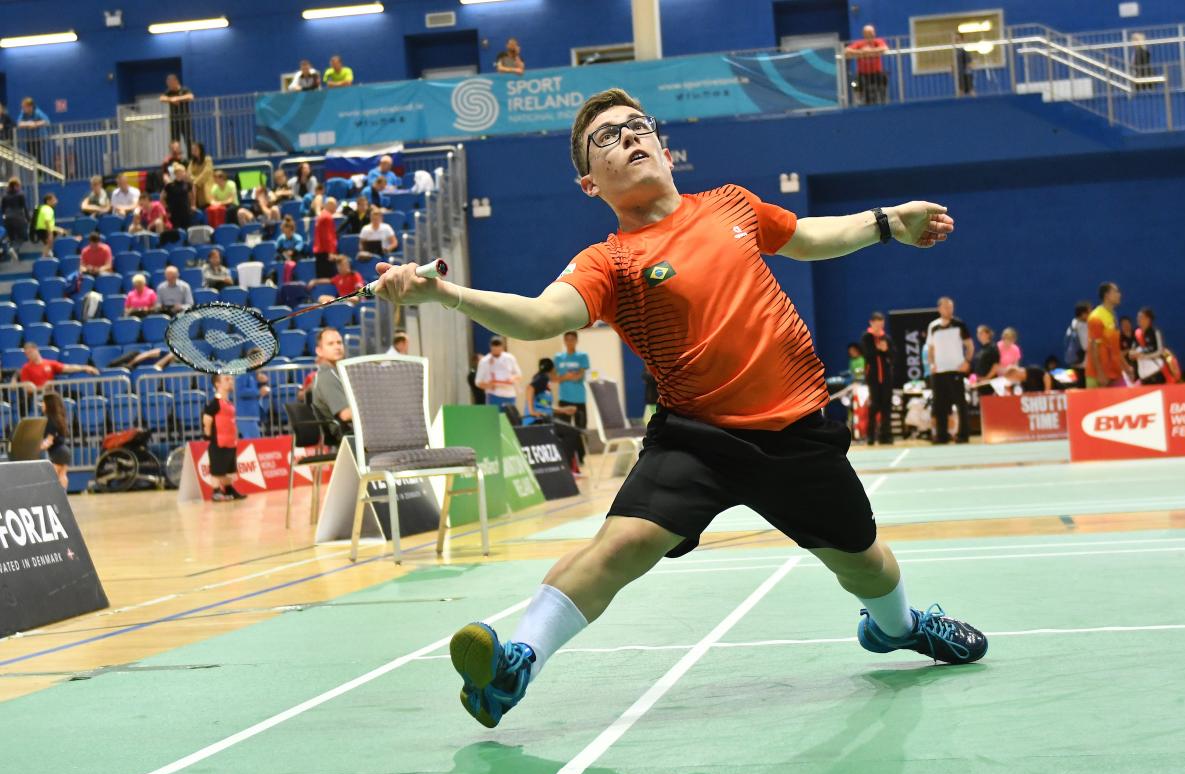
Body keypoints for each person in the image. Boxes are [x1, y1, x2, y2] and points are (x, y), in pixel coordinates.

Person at [370, 87, 979, 730]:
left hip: (796, 429)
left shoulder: (730, 205)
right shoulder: (609, 262)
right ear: (588, 184)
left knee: (866, 561)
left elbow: (804, 236)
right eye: (607, 137)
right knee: (620, 544)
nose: (629, 137)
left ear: (662, 145)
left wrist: (886, 223)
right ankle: (517, 663)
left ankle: (899, 629)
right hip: (697, 437)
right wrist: (447, 294)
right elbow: (543, 314)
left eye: (637, 126)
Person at [927, 297, 973, 444]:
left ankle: (963, 435)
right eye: (946, 307)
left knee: (961, 403)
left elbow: (970, 346)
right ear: (939, 308)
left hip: (956, 370)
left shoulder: (959, 324)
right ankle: (942, 435)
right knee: (940, 404)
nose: (949, 310)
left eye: (951, 307)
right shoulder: (933, 326)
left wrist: (967, 361)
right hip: (939, 371)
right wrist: (931, 364)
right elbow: (931, 348)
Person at [202, 374, 246, 501]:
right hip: (218, 442)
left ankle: (228, 490)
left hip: (230, 442)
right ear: (217, 384)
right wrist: (208, 435)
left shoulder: (229, 403)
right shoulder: (215, 403)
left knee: (229, 469)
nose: (231, 381)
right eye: (227, 379)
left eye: (231, 379)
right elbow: (207, 419)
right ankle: (216, 492)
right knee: (217, 470)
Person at [309, 327, 353, 441]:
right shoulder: (326, 377)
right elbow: (345, 414)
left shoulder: (337, 372)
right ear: (319, 351)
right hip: (347, 435)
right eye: (331, 344)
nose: (337, 347)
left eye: (339, 343)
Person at [860, 312, 893, 444]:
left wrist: (886, 351)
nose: (879, 325)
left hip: (886, 377)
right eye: (877, 322)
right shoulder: (866, 337)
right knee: (874, 406)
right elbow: (867, 354)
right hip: (873, 376)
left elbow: (893, 354)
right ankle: (871, 436)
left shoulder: (886, 338)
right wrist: (880, 349)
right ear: (871, 323)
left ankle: (886, 435)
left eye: (882, 322)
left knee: (886, 405)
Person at [14, 341, 98, 392]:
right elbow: (27, 388)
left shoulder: (49, 363)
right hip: (38, 396)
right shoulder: (26, 368)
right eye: (27, 354)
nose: (29, 355)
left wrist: (85, 367)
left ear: (36, 350)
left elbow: (67, 368)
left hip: (53, 393)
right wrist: (42, 388)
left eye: (30, 352)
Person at [1086, 282, 1126, 388]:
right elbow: (1094, 347)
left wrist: (1126, 367)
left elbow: (1115, 347)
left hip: (1114, 373)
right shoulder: (1096, 317)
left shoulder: (1113, 315)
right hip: (1098, 376)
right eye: (1116, 292)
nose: (1119, 294)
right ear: (1107, 295)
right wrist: (1100, 374)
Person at [554, 330, 590, 430]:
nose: (570, 342)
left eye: (572, 339)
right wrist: (568, 376)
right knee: (564, 429)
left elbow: (580, 375)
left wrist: (564, 377)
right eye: (567, 339)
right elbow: (554, 379)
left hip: (579, 399)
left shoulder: (582, 356)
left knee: (581, 429)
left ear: (576, 341)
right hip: (564, 399)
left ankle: (582, 446)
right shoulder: (558, 357)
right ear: (564, 341)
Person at [846, 25, 889, 105]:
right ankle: (859, 99)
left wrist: (870, 51)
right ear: (864, 34)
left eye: (872, 32)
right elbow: (847, 50)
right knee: (854, 83)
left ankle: (884, 100)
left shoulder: (878, 41)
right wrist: (861, 52)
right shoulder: (859, 44)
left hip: (876, 73)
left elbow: (885, 48)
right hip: (863, 74)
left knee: (884, 79)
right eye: (868, 33)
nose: (871, 34)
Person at [475, 336, 522, 408]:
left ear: (502, 347)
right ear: (490, 347)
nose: (496, 349)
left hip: (509, 394)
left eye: (498, 346)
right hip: (493, 395)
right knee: (494, 417)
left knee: (509, 417)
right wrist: (489, 385)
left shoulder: (509, 358)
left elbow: (518, 374)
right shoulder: (484, 361)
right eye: (494, 346)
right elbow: (478, 382)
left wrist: (512, 379)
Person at [40, 392, 72, 489]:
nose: (42, 404)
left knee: (52, 479)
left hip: (58, 453)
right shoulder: (60, 418)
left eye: (43, 402)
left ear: (49, 404)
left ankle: (55, 500)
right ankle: (63, 498)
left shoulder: (50, 421)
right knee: (62, 475)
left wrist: (36, 447)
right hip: (65, 451)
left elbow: (49, 441)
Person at [1131, 306, 1167, 384]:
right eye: (1138, 317)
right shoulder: (1136, 333)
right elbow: (1132, 351)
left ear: (1148, 319)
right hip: (1143, 376)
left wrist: (1144, 356)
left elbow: (1160, 351)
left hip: (1155, 372)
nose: (1138, 319)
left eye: (1141, 317)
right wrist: (1132, 355)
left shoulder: (1155, 332)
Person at [160, 75, 194, 148]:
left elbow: (190, 96)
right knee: (175, 142)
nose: (169, 86)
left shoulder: (184, 89)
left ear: (176, 82)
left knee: (189, 140)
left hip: (185, 120)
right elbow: (161, 98)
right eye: (168, 84)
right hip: (174, 120)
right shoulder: (169, 91)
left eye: (170, 84)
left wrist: (177, 99)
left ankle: (190, 157)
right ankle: (176, 158)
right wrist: (171, 99)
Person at [162, 164, 195, 237]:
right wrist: (166, 209)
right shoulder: (169, 185)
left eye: (181, 172)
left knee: (187, 230)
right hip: (174, 212)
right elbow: (162, 198)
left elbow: (192, 195)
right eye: (177, 172)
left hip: (185, 211)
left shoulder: (187, 184)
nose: (180, 174)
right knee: (176, 232)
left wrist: (193, 205)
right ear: (175, 174)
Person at [16, 97, 50, 165]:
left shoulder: (37, 111)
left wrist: (35, 124)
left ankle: (39, 174)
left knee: (37, 157)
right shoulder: (23, 113)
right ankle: (32, 174)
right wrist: (28, 123)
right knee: (30, 157)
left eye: (24, 107)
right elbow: (19, 123)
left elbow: (47, 121)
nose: (23, 108)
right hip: (30, 139)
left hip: (39, 138)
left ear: (30, 106)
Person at [312, 198, 339, 284]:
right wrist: (331, 252)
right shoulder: (327, 217)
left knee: (322, 278)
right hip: (326, 253)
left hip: (320, 253)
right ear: (330, 205)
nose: (336, 208)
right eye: (335, 206)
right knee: (330, 280)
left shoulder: (321, 216)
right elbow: (328, 236)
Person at [972, 324, 1000, 396]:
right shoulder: (981, 349)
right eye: (978, 333)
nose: (979, 335)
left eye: (981, 333)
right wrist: (974, 379)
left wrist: (987, 378)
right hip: (979, 383)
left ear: (988, 334)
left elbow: (996, 366)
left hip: (989, 383)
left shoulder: (993, 347)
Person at [1064, 301, 1090, 376]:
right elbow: (1086, 346)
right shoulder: (1082, 326)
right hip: (1083, 364)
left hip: (1075, 362)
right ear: (1083, 314)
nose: (1091, 314)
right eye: (1089, 312)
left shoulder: (1073, 324)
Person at [2, 178, 30, 244]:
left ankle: (12, 250)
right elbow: (24, 207)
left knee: (11, 238)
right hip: (18, 218)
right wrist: (28, 218)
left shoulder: (5, 196)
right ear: (17, 185)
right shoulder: (20, 194)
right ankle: (15, 249)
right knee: (23, 237)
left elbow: (3, 208)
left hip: (8, 218)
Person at [188, 141, 214, 208]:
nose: (193, 151)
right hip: (195, 187)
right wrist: (193, 180)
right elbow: (189, 173)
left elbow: (207, 172)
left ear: (200, 150)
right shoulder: (192, 162)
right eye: (192, 150)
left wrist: (196, 181)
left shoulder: (208, 159)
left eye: (195, 149)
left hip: (205, 186)